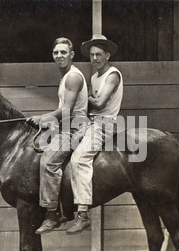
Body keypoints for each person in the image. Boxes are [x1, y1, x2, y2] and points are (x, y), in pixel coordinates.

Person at [27, 37, 89, 234]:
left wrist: (44, 117)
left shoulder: (73, 77)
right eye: (56, 53)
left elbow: (68, 110)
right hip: (66, 126)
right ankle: (63, 209)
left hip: (75, 127)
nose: (59, 56)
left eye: (63, 52)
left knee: (49, 161)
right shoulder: (65, 77)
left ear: (71, 55)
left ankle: (51, 215)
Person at [66, 34, 123, 235]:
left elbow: (99, 103)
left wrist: (82, 97)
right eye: (91, 55)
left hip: (105, 124)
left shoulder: (113, 75)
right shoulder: (94, 77)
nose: (95, 59)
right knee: (61, 149)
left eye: (99, 54)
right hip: (92, 121)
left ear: (107, 55)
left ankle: (82, 215)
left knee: (79, 159)